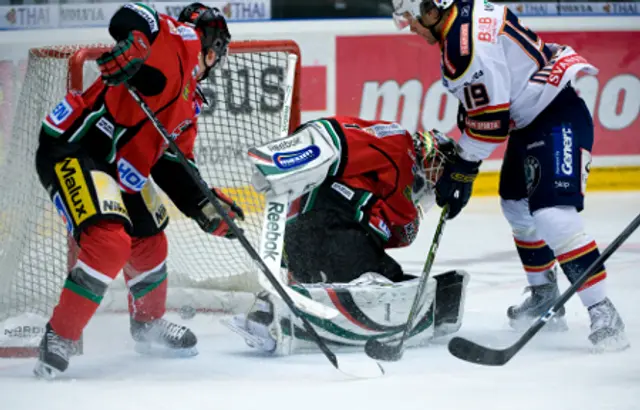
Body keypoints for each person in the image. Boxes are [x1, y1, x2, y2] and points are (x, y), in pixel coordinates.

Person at [392, 0, 628, 350]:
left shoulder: (463, 46)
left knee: (552, 215)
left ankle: (603, 311)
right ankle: (544, 293)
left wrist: (463, 169)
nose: (409, 26)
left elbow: (491, 126)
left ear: (431, 10)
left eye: (411, 18)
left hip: (555, 116)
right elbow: (494, 92)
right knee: (516, 206)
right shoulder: (464, 16)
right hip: (531, 118)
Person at [34, 2, 243, 379]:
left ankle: (147, 326)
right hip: (75, 150)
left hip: (117, 168)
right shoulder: (178, 38)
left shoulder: (189, 103)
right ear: (213, 48)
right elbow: (130, 16)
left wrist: (205, 206)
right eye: (219, 51)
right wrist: (133, 44)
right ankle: (59, 336)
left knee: (150, 242)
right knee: (110, 243)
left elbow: (173, 164)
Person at [225, 116, 469, 354]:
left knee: (387, 274)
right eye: (440, 172)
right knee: (380, 277)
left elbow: (395, 232)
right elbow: (334, 132)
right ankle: (292, 304)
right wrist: (294, 154)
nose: (437, 181)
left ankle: (273, 311)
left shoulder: (401, 195)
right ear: (432, 155)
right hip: (322, 224)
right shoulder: (398, 145)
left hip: (314, 243)